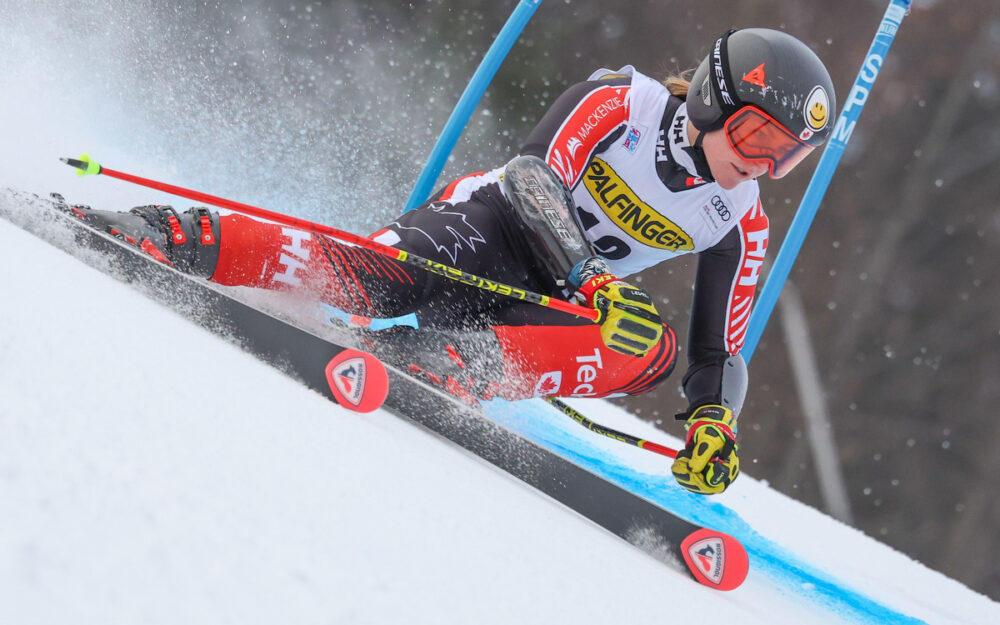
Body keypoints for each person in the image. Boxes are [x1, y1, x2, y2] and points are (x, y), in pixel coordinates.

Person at [68, 28, 835, 495]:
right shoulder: (620, 104)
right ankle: (182, 236)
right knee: (370, 281)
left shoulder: (739, 222)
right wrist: (593, 279)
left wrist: (714, 423)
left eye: (787, 158)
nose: (762, 167)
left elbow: (717, 349)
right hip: (490, 233)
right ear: (710, 98)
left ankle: (446, 365)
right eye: (756, 139)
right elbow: (535, 181)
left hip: (541, 312)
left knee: (651, 346)